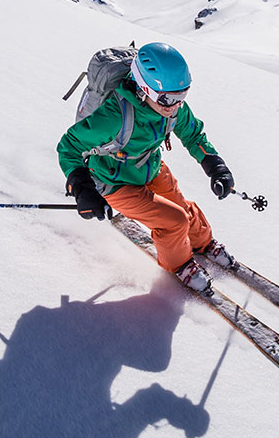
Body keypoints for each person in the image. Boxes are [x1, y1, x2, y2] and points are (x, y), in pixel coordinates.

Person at [57, 42, 236, 290]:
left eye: (181, 96)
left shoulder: (171, 109)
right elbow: (69, 146)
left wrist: (216, 166)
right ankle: (180, 265)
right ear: (143, 88)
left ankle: (202, 242)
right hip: (115, 182)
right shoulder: (114, 116)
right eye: (167, 98)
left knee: (182, 207)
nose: (174, 105)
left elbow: (194, 135)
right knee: (174, 220)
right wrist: (82, 187)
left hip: (149, 166)